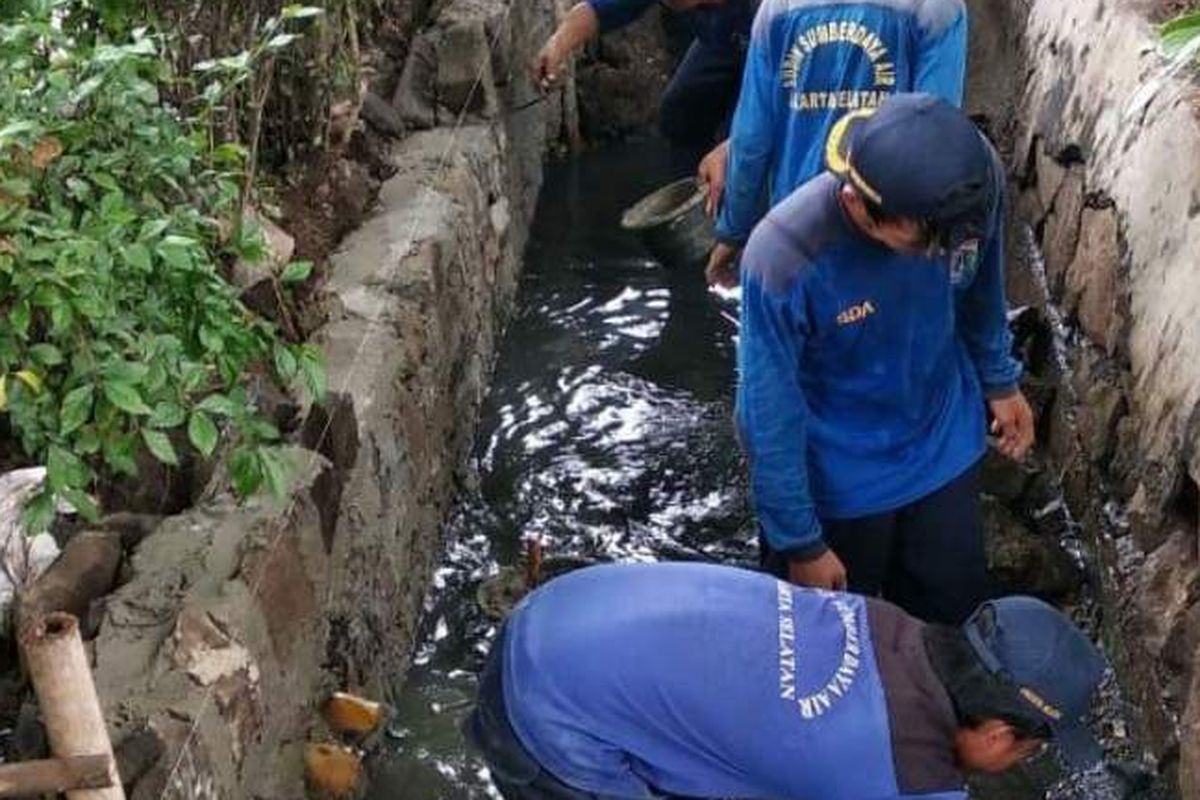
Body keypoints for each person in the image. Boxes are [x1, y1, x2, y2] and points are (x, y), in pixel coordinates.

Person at [736, 93, 1035, 624]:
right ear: (858, 206)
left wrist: (1000, 379)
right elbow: (767, 412)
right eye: (924, 242)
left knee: (950, 633)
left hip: (941, 443)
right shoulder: (783, 258)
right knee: (820, 648)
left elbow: (983, 282)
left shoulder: (969, 181)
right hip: (840, 478)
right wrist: (800, 542)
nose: (944, 254)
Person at [464, 561, 1109, 800]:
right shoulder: (908, 782)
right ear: (999, 736)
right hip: (551, 715)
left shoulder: (886, 623)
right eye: (1034, 745)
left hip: (559, 608)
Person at [703, 0, 968, 286]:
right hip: (887, 229)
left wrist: (733, 231)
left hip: (797, 229)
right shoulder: (939, 7)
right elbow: (935, 123)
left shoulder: (776, 8)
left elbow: (753, 137)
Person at [533, 0, 758, 175]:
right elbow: (597, 10)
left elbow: (777, 97)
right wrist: (558, 43)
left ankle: (743, 206)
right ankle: (693, 194)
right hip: (723, 42)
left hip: (773, 54)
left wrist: (733, 146)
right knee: (679, 108)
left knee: (743, 140)